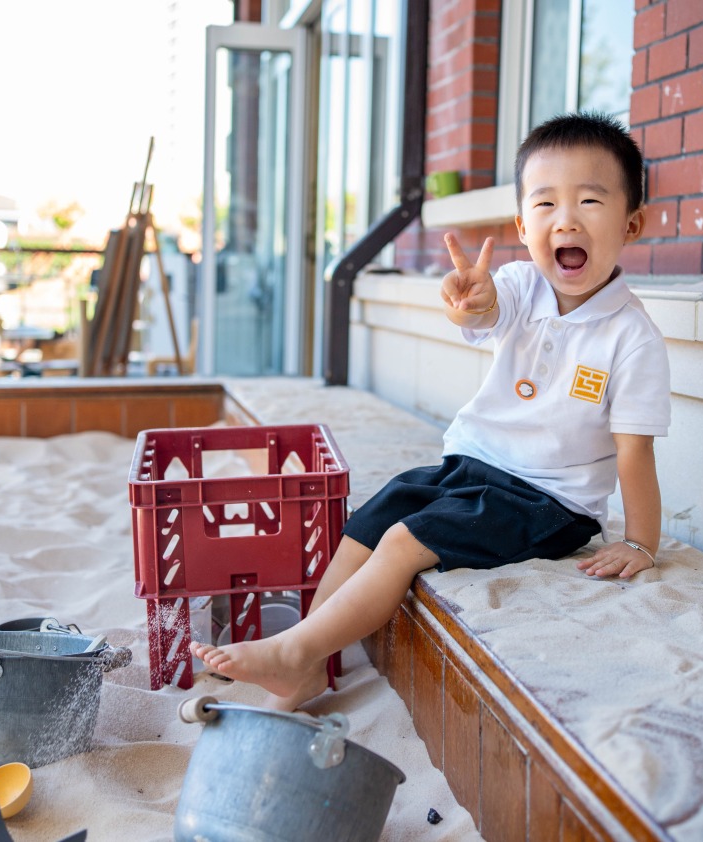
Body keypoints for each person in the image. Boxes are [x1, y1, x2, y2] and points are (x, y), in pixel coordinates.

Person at [192, 111, 671, 711]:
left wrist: (641, 542)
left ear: (631, 223)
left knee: (404, 541)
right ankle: (308, 661)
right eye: (546, 203)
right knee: (376, 515)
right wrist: (467, 301)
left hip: (550, 502)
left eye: (590, 201)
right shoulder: (520, 284)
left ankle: (292, 653)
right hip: (474, 466)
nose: (566, 219)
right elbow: (485, 309)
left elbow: (635, 451)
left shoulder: (632, 337)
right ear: (523, 226)